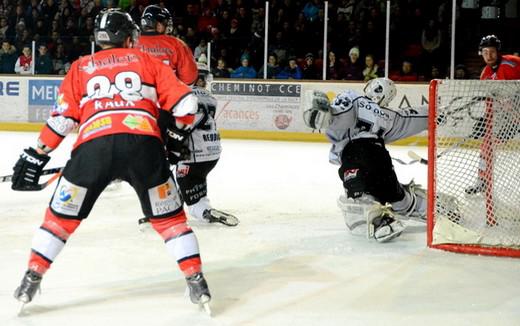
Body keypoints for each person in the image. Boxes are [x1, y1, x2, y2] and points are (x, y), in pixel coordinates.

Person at [11, 9, 211, 310]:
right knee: (170, 221)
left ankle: (31, 280)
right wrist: (177, 137)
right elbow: (188, 103)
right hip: (144, 147)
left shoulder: (81, 67)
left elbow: (63, 121)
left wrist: (36, 153)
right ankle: (196, 282)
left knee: (59, 221)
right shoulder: (148, 61)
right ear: (131, 37)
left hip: (93, 149)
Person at [303, 78, 428, 242]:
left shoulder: (351, 97)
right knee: (394, 194)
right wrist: (435, 113)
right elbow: (410, 118)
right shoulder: (387, 116)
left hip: (355, 154)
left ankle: (380, 221)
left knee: (359, 195)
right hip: (379, 154)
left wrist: (319, 110)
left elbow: (327, 116)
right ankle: (428, 207)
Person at [140, 63, 239, 229]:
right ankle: (173, 209)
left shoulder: (183, 96)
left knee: (190, 199)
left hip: (192, 155)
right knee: (185, 182)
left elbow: (180, 127)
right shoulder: (210, 97)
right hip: (212, 153)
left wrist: (168, 147)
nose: (203, 82)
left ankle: (198, 212)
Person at [465, 35, 520, 195]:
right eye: (485, 52)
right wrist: (486, 120)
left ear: (498, 52)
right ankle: (482, 180)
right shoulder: (485, 75)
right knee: (486, 146)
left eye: (492, 52)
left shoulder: (513, 62)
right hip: (509, 120)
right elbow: (491, 104)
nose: (489, 55)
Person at [135, 4, 198, 86]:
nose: (168, 25)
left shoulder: (130, 43)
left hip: (137, 95)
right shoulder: (177, 44)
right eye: (165, 22)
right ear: (159, 25)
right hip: (168, 94)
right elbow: (189, 78)